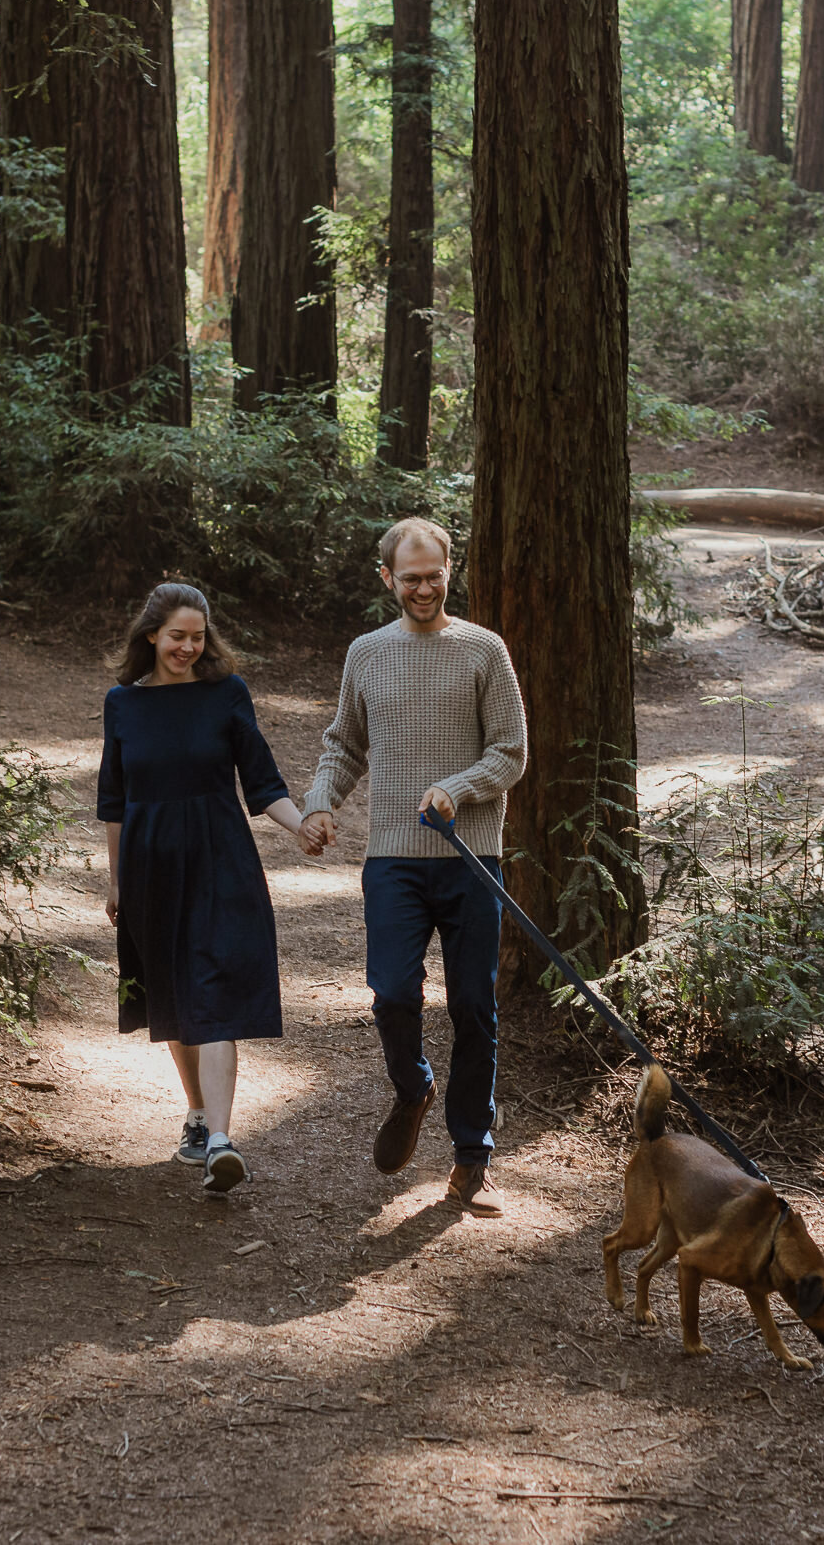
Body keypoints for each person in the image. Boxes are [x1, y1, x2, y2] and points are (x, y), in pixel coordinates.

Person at [299, 518, 528, 1216]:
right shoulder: (366, 653)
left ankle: (470, 1157)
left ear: (450, 570)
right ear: (387, 579)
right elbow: (344, 744)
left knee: (472, 1006)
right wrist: (317, 804)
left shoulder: (483, 649)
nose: (423, 587)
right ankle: (413, 1087)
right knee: (393, 992)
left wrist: (455, 789)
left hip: (470, 858)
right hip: (393, 855)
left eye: (434, 575)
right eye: (410, 577)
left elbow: (511, 751)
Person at [98, 583, 320, 1194]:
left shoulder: (227, 694)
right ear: (151, 636)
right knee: (171, 990)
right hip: (149, 864)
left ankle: (221, 1139)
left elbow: (263, 781)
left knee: (216, 985)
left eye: (198, 637)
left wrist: (301, 825)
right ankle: (197, 1113)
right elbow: (113, 801)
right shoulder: (123, 703)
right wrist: (115, 880)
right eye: (177, 637)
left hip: (221, 858)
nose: (188, 648)